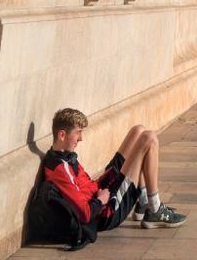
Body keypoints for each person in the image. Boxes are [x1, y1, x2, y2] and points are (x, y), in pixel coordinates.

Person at [26, 106, 186, 248]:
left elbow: (88, 186)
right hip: (107, 211)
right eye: (78, 133)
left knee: (138, 130)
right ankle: (155, 209)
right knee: (149, 138)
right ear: (62, 135)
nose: (81, 139)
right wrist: (101, 200)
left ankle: (143, 204)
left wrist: (109, 178)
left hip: (102, 191)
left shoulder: (65, 156)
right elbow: (85, 213)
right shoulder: (60, 169)